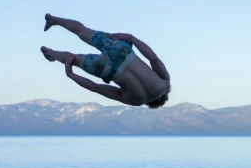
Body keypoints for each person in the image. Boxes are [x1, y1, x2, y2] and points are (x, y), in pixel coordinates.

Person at [40, 14, 171, 108]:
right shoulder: (135, 101)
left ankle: (54, 20)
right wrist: (71, 74)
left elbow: (153, 58)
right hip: (107, 69)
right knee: (73, 58)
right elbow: (94, 87)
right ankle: (51, 54)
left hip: (121, 51)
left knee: (83, 31)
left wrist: (132, 38)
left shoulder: (164, 83)